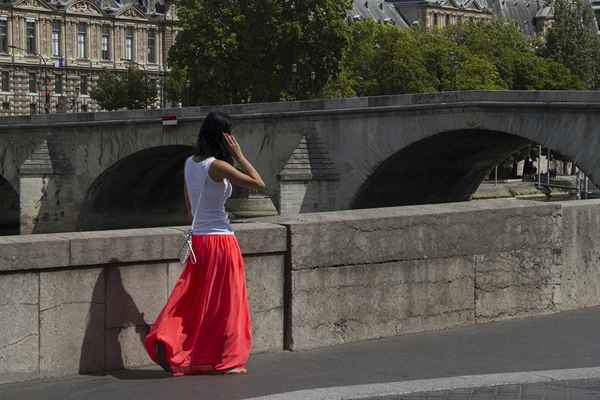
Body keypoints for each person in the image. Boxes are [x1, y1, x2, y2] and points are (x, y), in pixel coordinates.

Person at [145, 111, 266, 376]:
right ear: (225, 137)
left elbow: (190, 207)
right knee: (229, 302)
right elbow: (260, 184)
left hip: (198, 240)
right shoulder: (218, 166)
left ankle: (166, 338)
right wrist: (241, 155)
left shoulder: (190, 163)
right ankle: (230, 359)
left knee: (191, 298)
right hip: (221, 241)